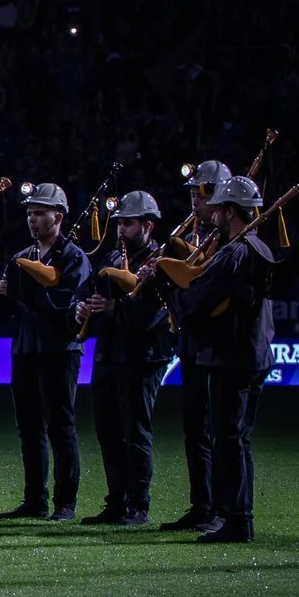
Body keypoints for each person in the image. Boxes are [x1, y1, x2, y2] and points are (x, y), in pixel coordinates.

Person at [148, 176, 277, 544]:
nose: (214, 215)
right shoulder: (260, 247)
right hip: (254, 353)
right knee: (240, 439)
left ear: (231, 211)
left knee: (228, 439)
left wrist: (168, 286)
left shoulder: (234, 251)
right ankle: (240, 517)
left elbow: (199, 297)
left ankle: (236, 519)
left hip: (231, 355)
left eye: (219, 208)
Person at [0, 182, 91, 520]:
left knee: (60, 427)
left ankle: (65, 503)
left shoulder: (74, 258)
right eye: (29, 213)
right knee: (29, 429)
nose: (33, 220)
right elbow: (6, 311)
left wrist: (20, 293)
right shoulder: (22, 258)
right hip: (26, 349)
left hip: (59, 350)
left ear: (58, 216)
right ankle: (35, 500)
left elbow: (65, 305)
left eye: (39, 213)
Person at [78, 191, 175, 528]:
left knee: (135, 432)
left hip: (143, 358)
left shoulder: (162, 260)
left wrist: (114, 309)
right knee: (108, 432)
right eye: (119, 222)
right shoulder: (109, 256)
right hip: (108, 355)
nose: (121, 229)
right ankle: (116, 502)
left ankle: (139, 506)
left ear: (148, 226)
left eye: (128, 223)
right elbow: (91, 296)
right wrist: (81, 309)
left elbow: (155, 316)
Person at [165, 159, 229, 530]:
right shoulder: (195, 236)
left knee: (216, 429)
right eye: (192, 192)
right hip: (191, 341)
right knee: (194, 428)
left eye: (202, 193)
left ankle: (221, 509)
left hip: (216, 343)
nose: (195, 200)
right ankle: (202, 505)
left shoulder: (227, 237)